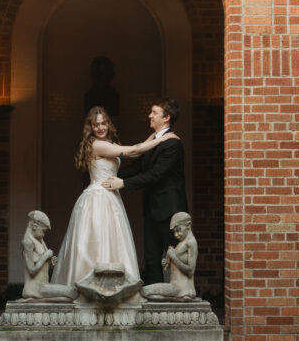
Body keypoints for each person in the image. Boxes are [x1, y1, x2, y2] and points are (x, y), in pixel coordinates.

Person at [51, 106, 174, 287]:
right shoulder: (97, 144)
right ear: (90, 127)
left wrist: (154, 137)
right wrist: (163, 138)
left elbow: (137, 151)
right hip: (97, 199)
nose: (100, 127)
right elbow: (132, 151)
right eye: (96, 125)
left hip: (111, 198)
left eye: (103, 123)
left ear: (108, 124)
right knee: (95, 242)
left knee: (113, 243)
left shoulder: (110, 143)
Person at [103, 98, 188, 285]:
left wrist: (123, 183)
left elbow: (155, 175)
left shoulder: (172, 144)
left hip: (169, 210)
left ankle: (181, 300)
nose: (150, 115)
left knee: (177, 259)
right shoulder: (156, 142)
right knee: (151, 259)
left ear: (166, 118)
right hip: (151, 210)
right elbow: (138, 166)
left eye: (154, 112)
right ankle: (154, 300)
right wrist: (105, 173)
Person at [21, 210, 77, 301]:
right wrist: (45, 256)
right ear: (34, 226)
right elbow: (31, 270)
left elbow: (41, 266)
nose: (43, 234)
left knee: (72, 294)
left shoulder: (39, 240)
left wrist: (50, 263)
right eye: (43, 231)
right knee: (72, 293)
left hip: (43, 285)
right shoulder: (28, 242)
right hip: (36, 289)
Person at [142, 212, 198, 301]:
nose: (176, 235)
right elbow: (176, 268)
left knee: (144, 291)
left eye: (178, 230)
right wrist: (167, 262)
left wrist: (173, 257)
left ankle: (182, 296)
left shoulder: (191, 242)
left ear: (188, 225)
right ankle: (179, 298)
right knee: (147, 294)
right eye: (174, 232)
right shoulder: (182, 243)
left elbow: (191, 271)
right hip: (176, 287)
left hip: (181, 287)